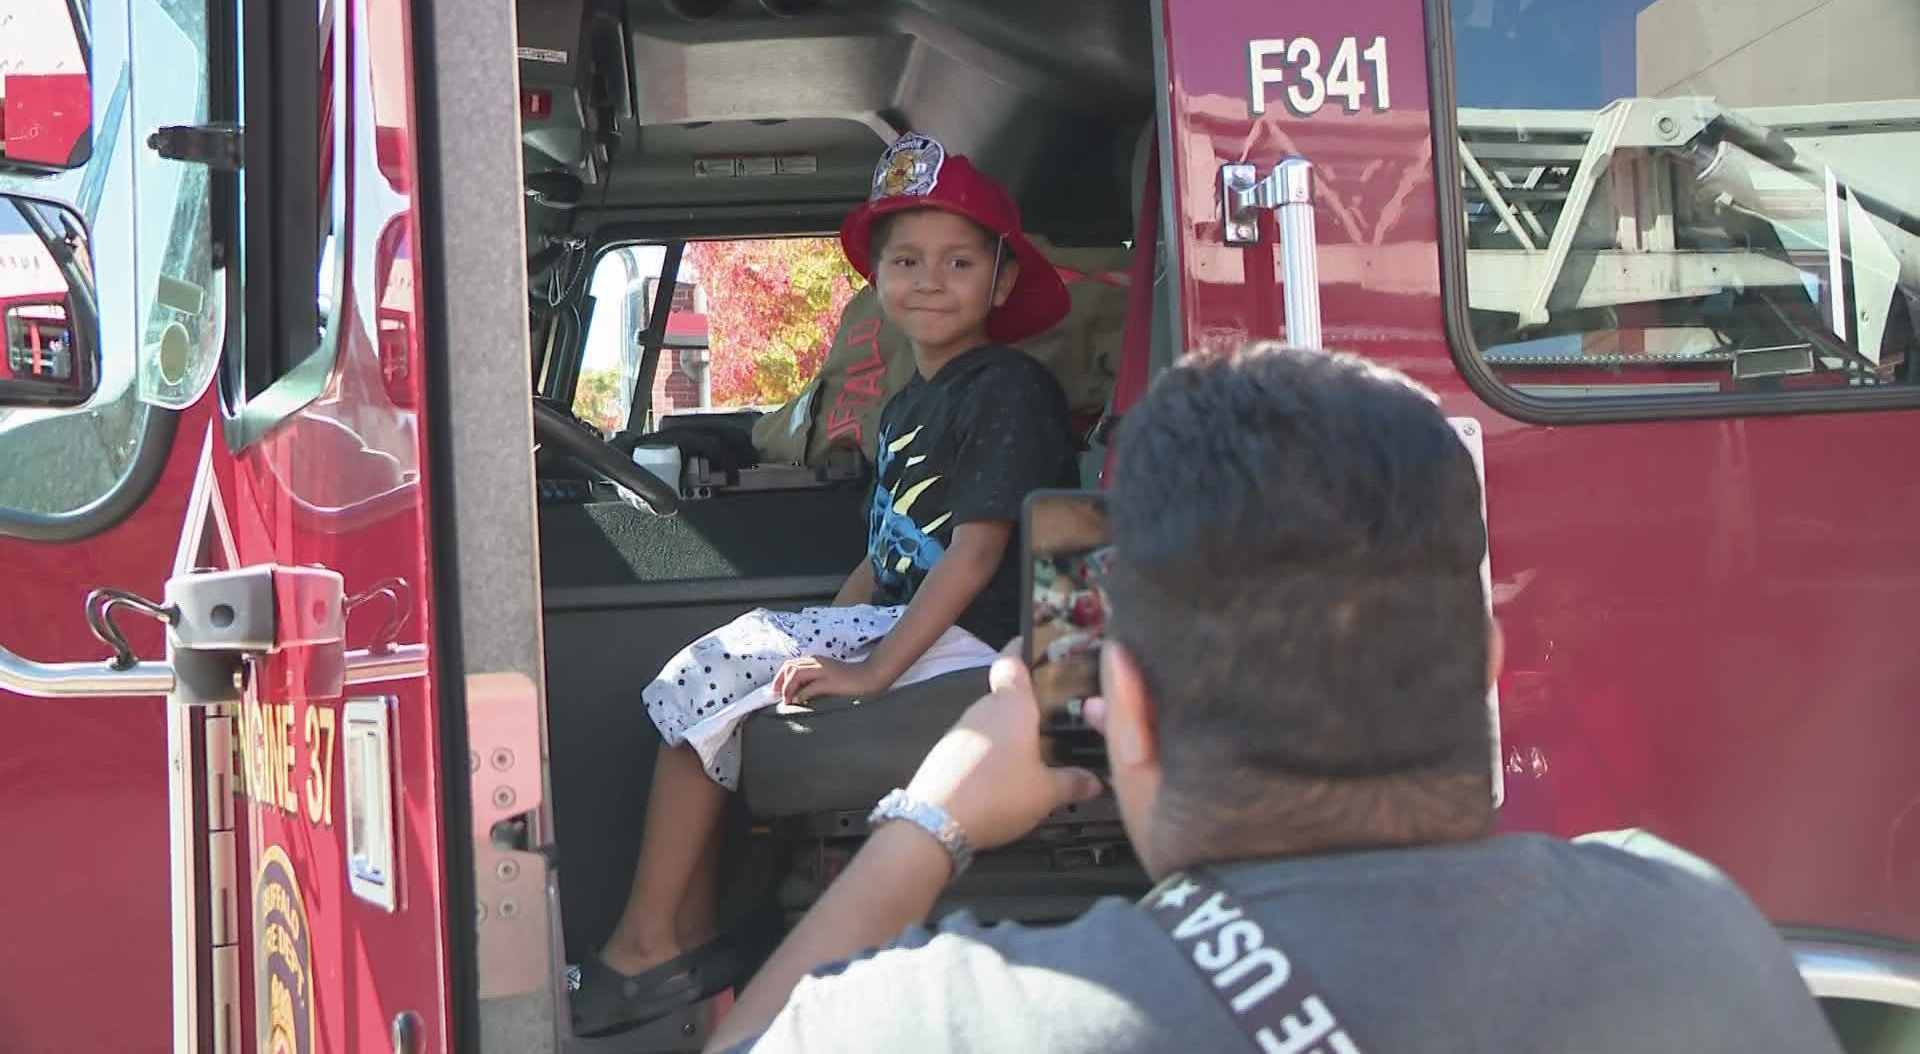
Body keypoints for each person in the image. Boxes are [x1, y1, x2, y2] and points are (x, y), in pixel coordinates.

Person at [700, 343, 1845, 1053]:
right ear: (1484, 666)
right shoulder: (1701, 931)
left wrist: (931, 818)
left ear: (1127, 708)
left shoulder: (963, 1018)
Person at [569, 132, 1084, 1036]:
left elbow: (973, 553)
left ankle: (650, 943)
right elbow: (885, 547)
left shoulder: (1008, 389)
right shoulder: (909, 403)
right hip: (910, 616)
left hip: (985, 637)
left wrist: (869, 669)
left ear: (1001, 282)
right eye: (907, 261)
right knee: (724, 665)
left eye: (959, 261)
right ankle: (684, 929)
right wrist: (820, 631)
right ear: (877, 280)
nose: (930, 279)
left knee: (711, 668)